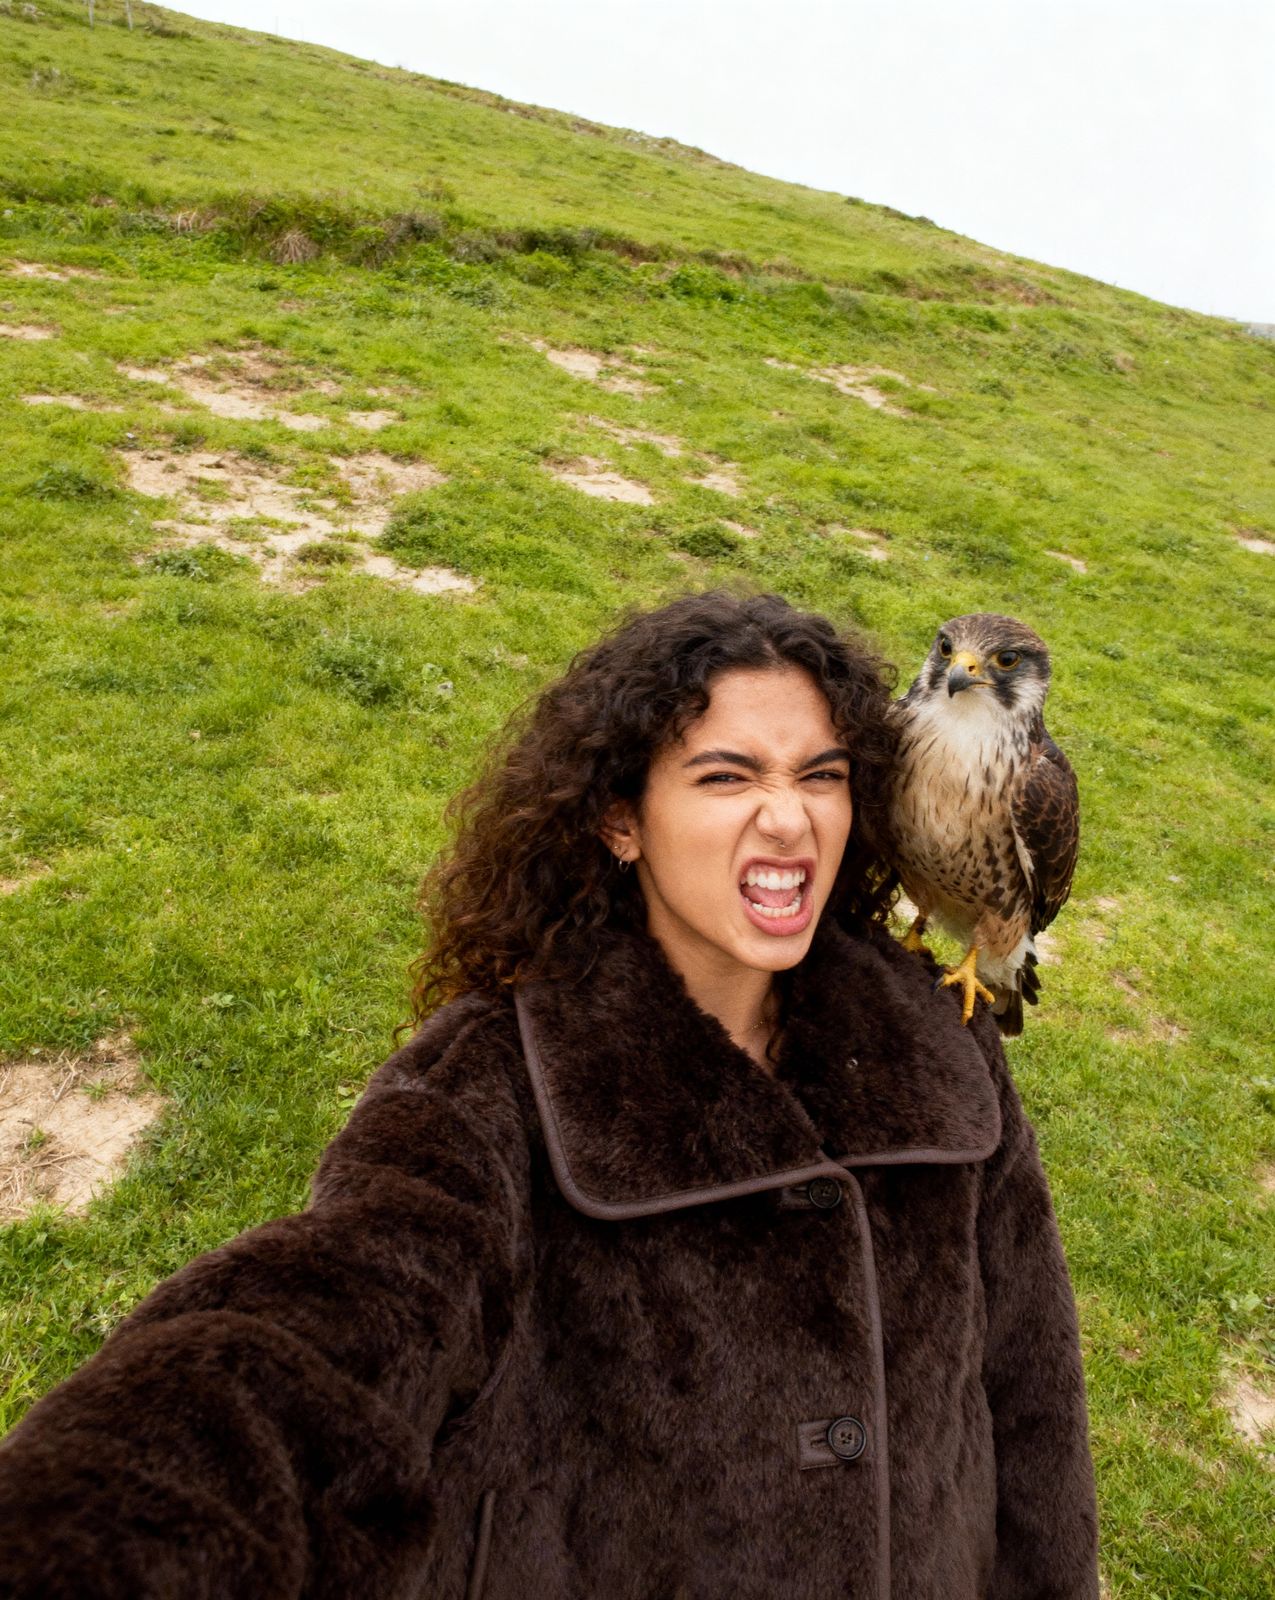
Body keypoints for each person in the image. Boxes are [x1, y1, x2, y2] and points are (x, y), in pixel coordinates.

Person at [0, 590, 1100, 1599]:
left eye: (821, 776)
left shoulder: (939, 1042)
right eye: (727, 777)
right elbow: (316, 1335)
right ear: (621, 819)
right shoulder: (491, 1079)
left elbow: (1035, 1399)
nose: (791, 820)